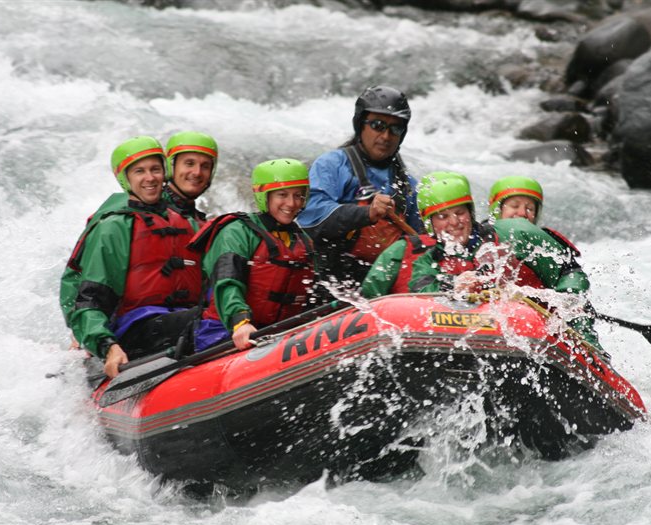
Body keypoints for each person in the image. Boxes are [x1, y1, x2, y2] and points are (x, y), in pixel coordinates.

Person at [410, 172, 603, 351]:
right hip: (480, 341)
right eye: (443, 217)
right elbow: (423, 298)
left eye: (460, 213)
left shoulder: (516, 232)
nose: (454, 222)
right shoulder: (426, 263)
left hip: (541, 332)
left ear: (471, 213)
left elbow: (569, 272)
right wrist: (454, 285)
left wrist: (582, 333)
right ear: (430, 224)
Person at [67, 136, 204, 377]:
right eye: (139, 171)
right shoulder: (114, 227)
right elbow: (91, 300)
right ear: (125, 179)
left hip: (180, 320)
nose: (150, 178)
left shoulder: (188, 221)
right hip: (136, 327)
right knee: (205, 320)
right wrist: (106, 346)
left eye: (155, 169)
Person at [297, 85, 424, 293]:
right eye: (377, 125)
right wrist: (367, 213)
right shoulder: (333, 164)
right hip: (332, 283)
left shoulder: (408, 186)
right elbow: (312, 218)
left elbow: (423, 241)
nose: (385, 136)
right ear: (360, 125)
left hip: (383, 286)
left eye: (395, 129)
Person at [188, 159, 315, 351]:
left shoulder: (302, 240)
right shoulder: (237, 231)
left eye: (298, 195)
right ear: (265, 196)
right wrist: (240, 321)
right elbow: (227, 283)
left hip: (278, 332)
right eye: (282, 195)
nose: (291, 203)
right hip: (225, 330)